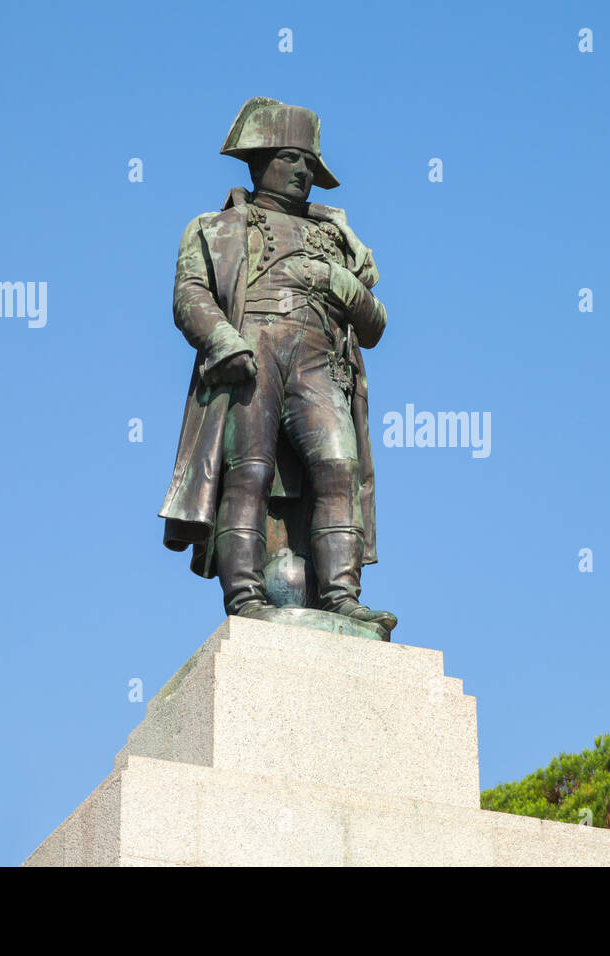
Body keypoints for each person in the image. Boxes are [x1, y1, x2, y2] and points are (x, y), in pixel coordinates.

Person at [159, 97, 397, 636]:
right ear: (259, 160)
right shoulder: (214, 227)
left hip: (319, 358)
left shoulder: (339, 240)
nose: (302, 172)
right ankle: (244, 596)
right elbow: (190, 295)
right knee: (249, 472)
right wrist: (224, 339)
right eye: (292, 158)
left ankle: (342, 597)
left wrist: (344, 284)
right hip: (253, 346)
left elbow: (376, 326)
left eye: (310, 164)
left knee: (341, 467)